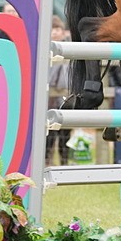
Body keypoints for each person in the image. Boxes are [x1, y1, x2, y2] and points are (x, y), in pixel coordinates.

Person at [46, 15, 72, 165]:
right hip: (49, 99)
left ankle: (64, 162)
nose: (55, 32)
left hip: (66, 98)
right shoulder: (44, 51)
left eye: (58, 29)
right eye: (52, 29)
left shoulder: (70, 49)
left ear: (63, 32)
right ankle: (46, 163)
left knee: (65, 135)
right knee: (49, 136)